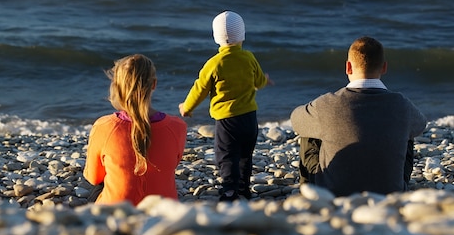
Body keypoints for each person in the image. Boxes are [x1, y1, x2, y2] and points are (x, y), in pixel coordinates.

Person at [290, 36, 427, 197]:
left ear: (348, 67)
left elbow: (296, 120)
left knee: (310, 129)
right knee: (407, 132)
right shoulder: (402, 104)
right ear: (384, 68)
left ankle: (310, 193)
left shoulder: (327, 103)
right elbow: (421, 125)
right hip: (389, 193)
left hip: (333, 192)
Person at [179, 11, 272, 201]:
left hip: (227, 121)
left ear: (216, 37)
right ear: (243, 34)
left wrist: (187, 107)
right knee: (246, 155)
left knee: (227, 156)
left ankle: (229, 190)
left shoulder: (214, 64)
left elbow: (200, 89)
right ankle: (244, 190)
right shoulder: (249, 58)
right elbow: (259, 80)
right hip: (249, 117)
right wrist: (265, 81)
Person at [84, 54, 187, 205]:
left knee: (94, 182)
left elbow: (93, 177)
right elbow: (171, 164)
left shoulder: (104, 126)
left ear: (116, 86)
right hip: (163, 210)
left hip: (117, 211)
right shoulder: (178, 127)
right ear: (153, 84)